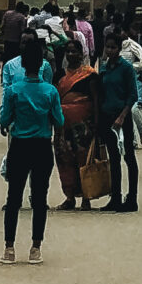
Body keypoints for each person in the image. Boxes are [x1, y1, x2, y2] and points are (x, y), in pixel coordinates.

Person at [0, 28, 66, 264]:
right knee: (39, 198)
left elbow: (5, 120)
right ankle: (35, 247)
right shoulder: (50, 91)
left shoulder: (14, 90)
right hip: (41, 146)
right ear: (41, 65)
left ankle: (9, 248)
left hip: (19, 145)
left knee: (13, 197)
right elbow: (59, 120)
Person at [54, 35, 100, 210]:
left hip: (83, 126)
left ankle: (86, 197)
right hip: (62, 125)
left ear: (81, 54)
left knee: (83, 160)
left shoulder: (90, 75)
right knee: (64, 160)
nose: (71, 54)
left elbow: (95, 100)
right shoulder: (60, 75)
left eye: (74, 51)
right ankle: (70, 197)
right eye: (68, 51)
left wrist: (96, 123)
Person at [96, 30, 139, 212]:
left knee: (129, 156)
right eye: (108, 47)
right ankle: (116, 197)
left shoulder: (126, 68)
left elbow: (133, 95)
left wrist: (122, 117)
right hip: (107, 117)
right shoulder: (104, 68)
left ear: (119, 49)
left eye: (113, 47)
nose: (110, 51)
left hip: (122, 117)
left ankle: (132, 198)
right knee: (113, 158)